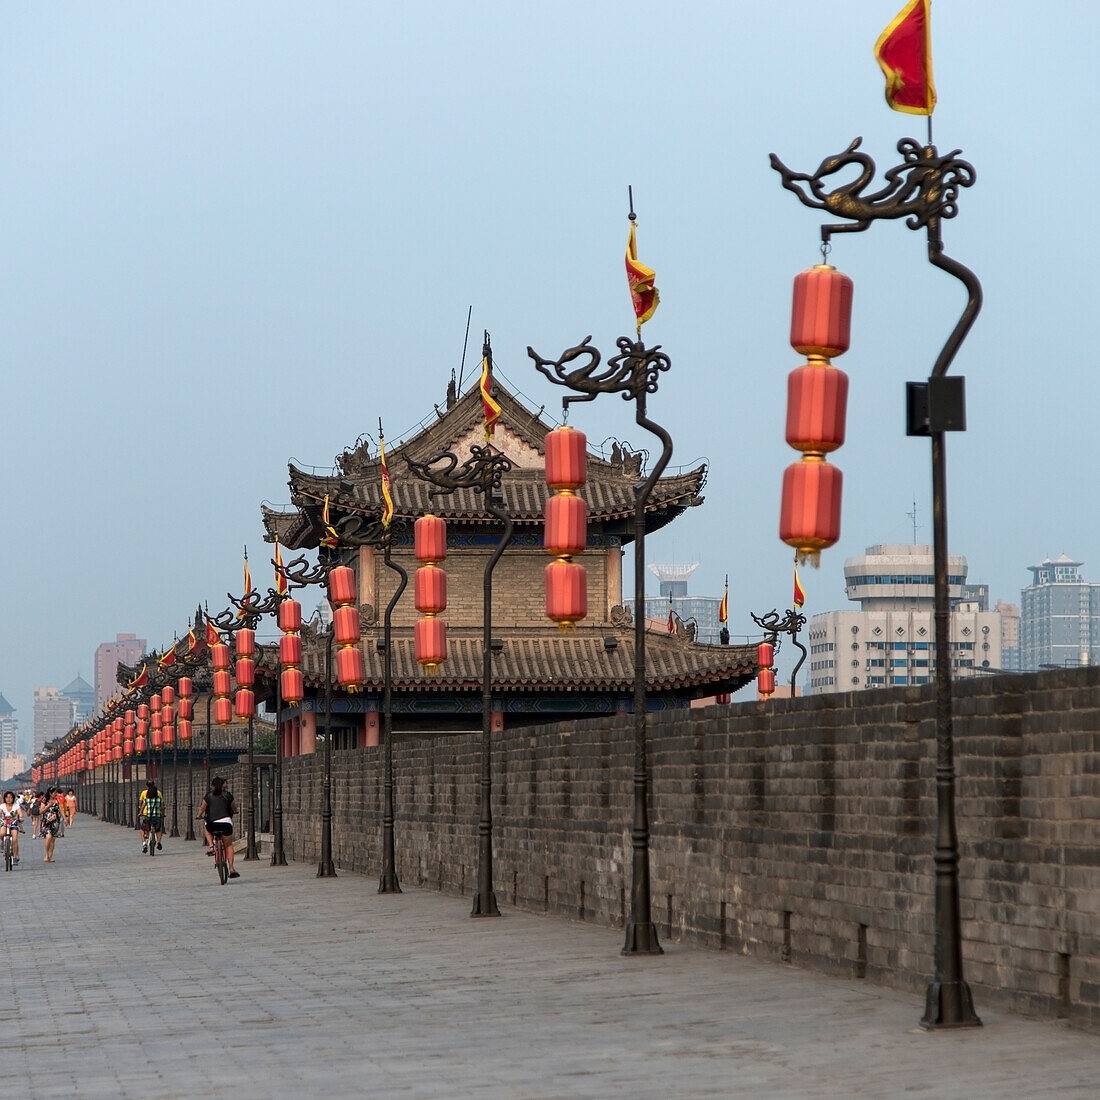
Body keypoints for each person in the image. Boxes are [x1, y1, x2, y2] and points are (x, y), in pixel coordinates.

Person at [197, 776, 238, 878]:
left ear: (212, 786)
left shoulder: (208, 796)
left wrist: (199, 816)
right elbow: (234, 807)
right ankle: (232, 868)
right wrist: (235, 811)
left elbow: (202, 808)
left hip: (212, 824)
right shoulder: (228, 795)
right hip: (226, 824)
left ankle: (211, 846)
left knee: (207, 828)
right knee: (228, 845)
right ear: (223, 784)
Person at [139, 781, 165, 853]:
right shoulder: (159, 798)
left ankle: (144, 843)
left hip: (148, 816)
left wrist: (140, 812)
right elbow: (162, 807)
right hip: (157, 816)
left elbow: (142, 806)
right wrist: (162, 814)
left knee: (143, 829)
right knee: (158, 830)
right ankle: (158, 842)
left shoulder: (146, 799)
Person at [0, 791, 23, 866]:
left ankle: (15, 857)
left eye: (10, 797)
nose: (9, 799)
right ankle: (3, 844)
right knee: (1, 834)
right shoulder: (2, 806)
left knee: (15, 839)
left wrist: (21, 817)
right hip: (5, 824)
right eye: (7, 797)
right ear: (5, 798)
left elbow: (20, 813)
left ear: (13, 798)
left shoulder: (16, 806)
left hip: (13, 824)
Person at [39, 791, 63, 862]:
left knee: (53, 839)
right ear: (50, 793)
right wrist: (48, 806)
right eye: (54, 793)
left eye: (56, 793)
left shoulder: (57, 800)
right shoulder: (44, 800)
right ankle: (46, 854)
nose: (56, 794)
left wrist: (64, 818)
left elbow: (60, 810)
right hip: (46, 821)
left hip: (55, 822)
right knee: (48, 837)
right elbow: (41, 811)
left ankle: (50, 855)